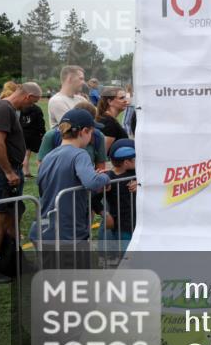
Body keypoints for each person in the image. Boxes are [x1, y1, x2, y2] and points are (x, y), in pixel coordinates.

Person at [28, 108, 111, 244]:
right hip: (68, 232)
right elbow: (92, 182)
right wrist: (105, 178)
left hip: (44, 229)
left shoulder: (48, 156)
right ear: (84, 131)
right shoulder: (80, 154)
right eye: (91, 132)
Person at [0, 83, 42, 259]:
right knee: (0, 219)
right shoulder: (3, 108)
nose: (31, 107)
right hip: (4, 171)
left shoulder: (8, 108)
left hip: (12, 169)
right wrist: (8, 172)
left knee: (12, 216)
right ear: (27, 97)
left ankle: (11, 260)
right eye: (33, 102)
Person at [39, 101, 107, 172]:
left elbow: (100, 166)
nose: (92, 131)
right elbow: (42, 165)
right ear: (85, 129)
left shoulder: (98, 136)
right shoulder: (52, 136)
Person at [99, 138, 136, 255]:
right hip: (122, 227)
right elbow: (94, 199)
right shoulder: (107, 179)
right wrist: (105, 214)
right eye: (135, 159)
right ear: (126, 163)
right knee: (126, 257)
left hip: (137, 224)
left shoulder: (137, 174)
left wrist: (141, 184)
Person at [20, 94, 46, 178]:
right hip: (34, 135)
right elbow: (41, 123)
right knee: (40, 154)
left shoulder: (21, 108)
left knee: (26, 154)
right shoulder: (37, 109)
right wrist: (43, 133)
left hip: (23, 133)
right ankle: (41, 173)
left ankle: (26, 172)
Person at [96, 86, 129, 153]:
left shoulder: (109, 119)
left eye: (125, 97)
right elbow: (103, 154)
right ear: (110, 101)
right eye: (121, 98)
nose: (126, 100)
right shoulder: (108, 122)